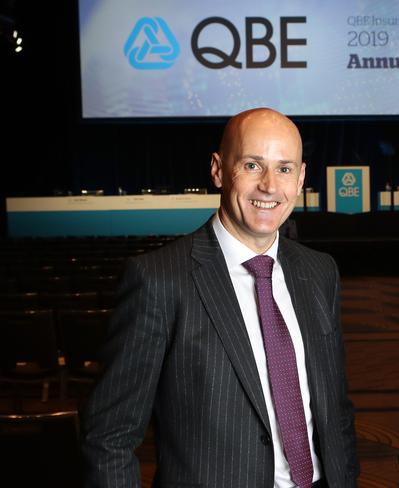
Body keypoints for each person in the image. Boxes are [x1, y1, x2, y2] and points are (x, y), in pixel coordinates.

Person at [82, 108, 359, 487]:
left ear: (301, 179)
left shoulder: (320, 271)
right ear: (217, 170)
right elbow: (109, 437)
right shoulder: (158, 280)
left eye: (284, 168)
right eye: (251, 165)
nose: (269, 185)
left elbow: (335, 408)